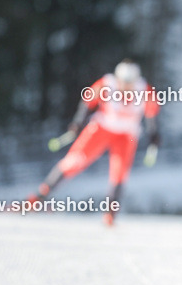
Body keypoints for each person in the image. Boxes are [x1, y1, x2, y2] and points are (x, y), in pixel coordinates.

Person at [29, 60, 160, 224]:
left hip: (127, 135)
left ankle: (110, 214)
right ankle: (39, 197)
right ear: (117, 78)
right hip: (102, 127)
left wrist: (153, 134)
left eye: (129, 82)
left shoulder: (144, 90)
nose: (126, 86)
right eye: (123, 82)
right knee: (74, 161)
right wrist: (78, 123)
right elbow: (88, 101)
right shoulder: (107, 84)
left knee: (119, 172)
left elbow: (151, 114)